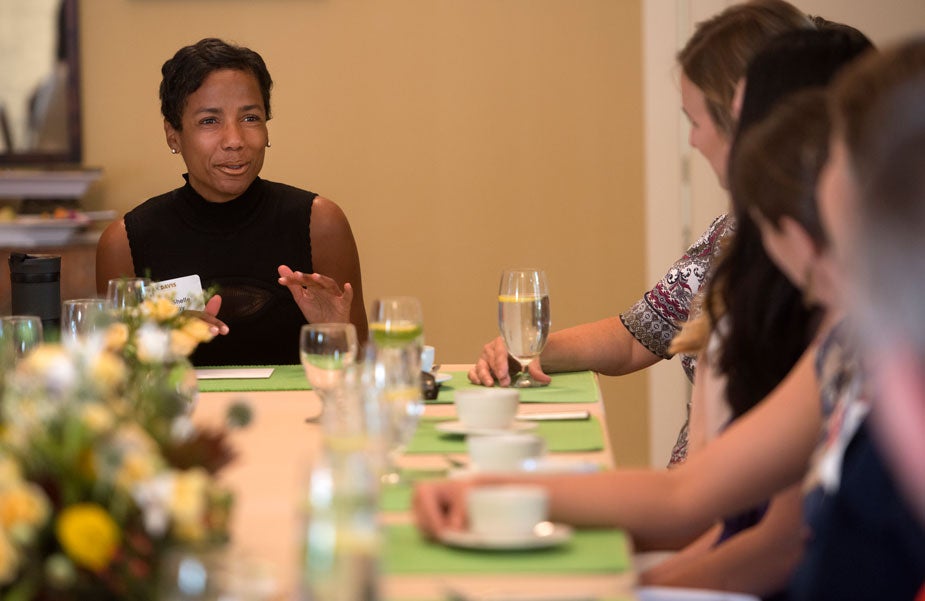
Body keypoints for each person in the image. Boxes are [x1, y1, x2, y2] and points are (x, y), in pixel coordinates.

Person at [469, 0, 813, 465]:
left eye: (696, 121)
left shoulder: (799, 264)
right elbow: (638, 335)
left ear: (741, 117)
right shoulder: (728, 236)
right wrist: (532, 352)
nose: (691, 140)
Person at [96, 38, 367, 366]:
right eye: (210, 121)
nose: (235, 141)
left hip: (294, 417)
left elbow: (364, 374)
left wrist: (337, 334)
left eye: (250, 118)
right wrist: (154, 345)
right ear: (173, 134)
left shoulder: (320, 222)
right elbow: (110, 383)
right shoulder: (125, 242)